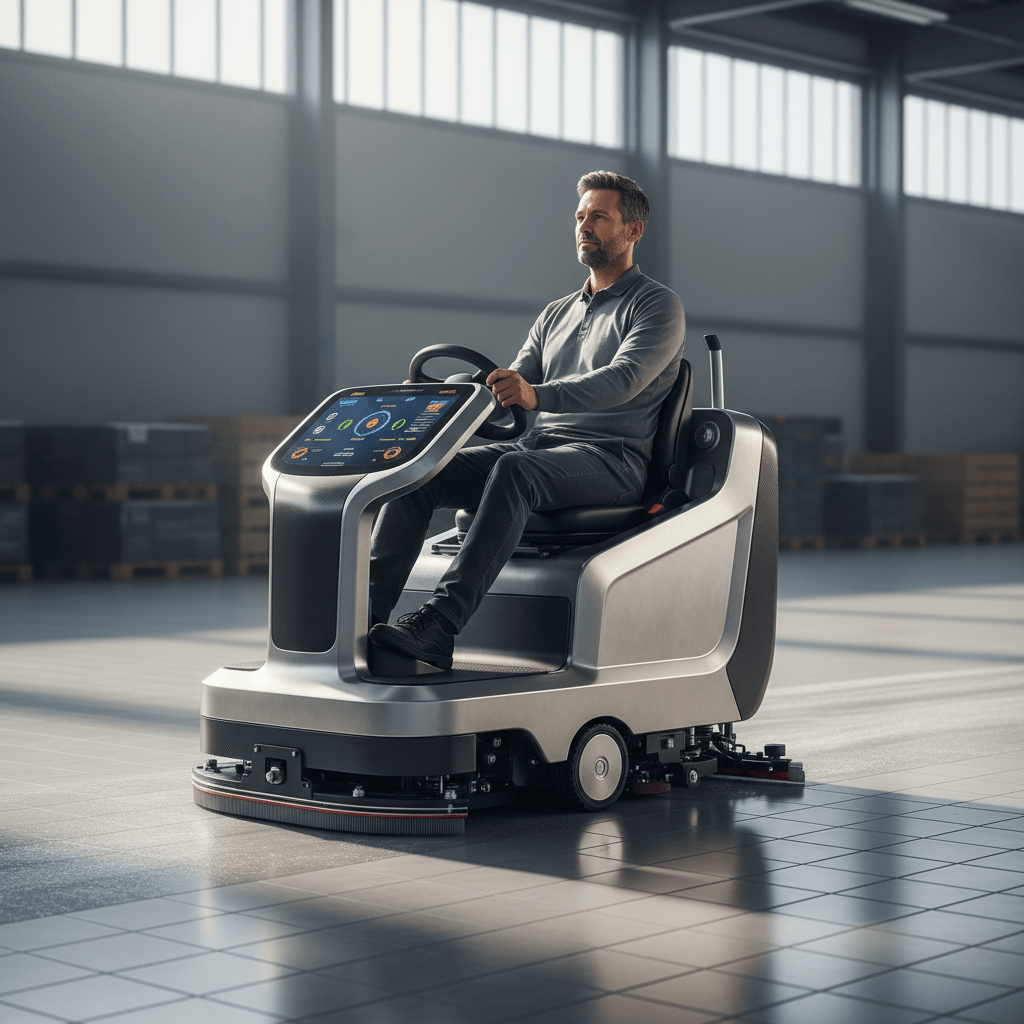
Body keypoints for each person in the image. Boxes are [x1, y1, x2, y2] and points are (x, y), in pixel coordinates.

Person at [368, 170, 686, 670]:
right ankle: (364, 615)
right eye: (580, 216)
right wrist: (445, 398)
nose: (584, 226)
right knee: (422, 476)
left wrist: (536, 395)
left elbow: (622, 379)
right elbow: (512, 387)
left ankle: (439, 625)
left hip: (611, 460)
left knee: (515, 470)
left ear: (633, 230)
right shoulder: (556, 313)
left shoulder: (656, 305)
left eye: (599, 217)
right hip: (539, 451)